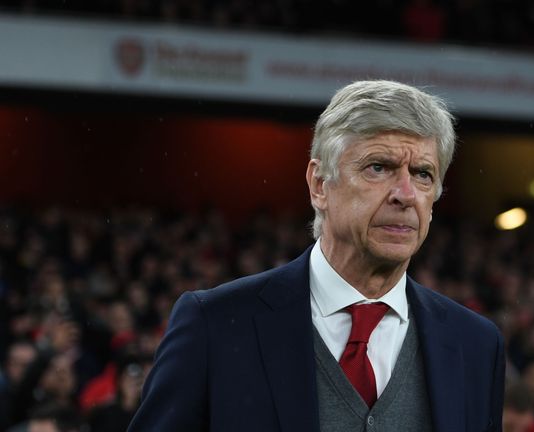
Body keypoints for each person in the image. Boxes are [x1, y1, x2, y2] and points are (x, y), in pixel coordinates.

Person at [127, 80, 505, 431]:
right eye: (379, 167)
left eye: (423, 174)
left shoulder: (475, 344)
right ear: (320, 184)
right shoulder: (216, 325)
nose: (405, 195)